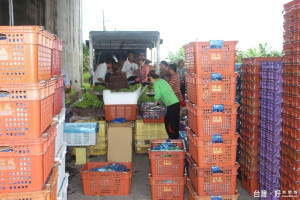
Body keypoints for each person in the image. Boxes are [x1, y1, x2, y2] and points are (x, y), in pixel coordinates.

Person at [148, 70, 180, 139]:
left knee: (169, 124)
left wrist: (154, 105)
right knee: (175, 123)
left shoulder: (156, 83)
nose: (151, 83)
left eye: (150, 81)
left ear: (151, 79)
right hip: (175, 103)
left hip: (171, 105)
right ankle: (175, 140)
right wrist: (158, 102)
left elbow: (157, 95)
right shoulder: (161, 80)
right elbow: (162, 94)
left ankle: (173, 140)